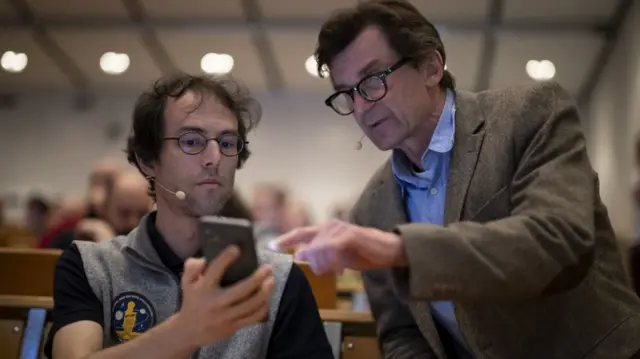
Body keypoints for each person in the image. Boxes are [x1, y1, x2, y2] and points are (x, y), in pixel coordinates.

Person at [271, 1, 640, 358]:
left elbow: (556, 242)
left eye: (371, 80)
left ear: (431, 67)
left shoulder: (529, 114)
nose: (362, 107)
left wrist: (401, 250)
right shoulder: (372, 208)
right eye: (347, 93)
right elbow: (402, 332)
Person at [44, 73, 333, 359]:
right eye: (192, 141)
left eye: (228, 142)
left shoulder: (277, 280)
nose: (214, 158)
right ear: (147, 160)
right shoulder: (91, 267)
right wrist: (184, 333)